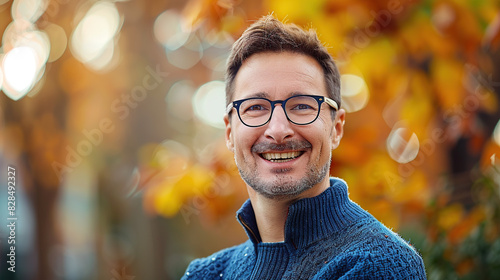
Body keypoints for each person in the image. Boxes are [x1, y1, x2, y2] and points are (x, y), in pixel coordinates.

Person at [182, 15, 427, 279]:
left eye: (301, 106)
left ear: (336, 128)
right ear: (230, 132)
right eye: (255, 107)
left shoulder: (379, 262)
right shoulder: (205, 274)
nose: (277, 130)